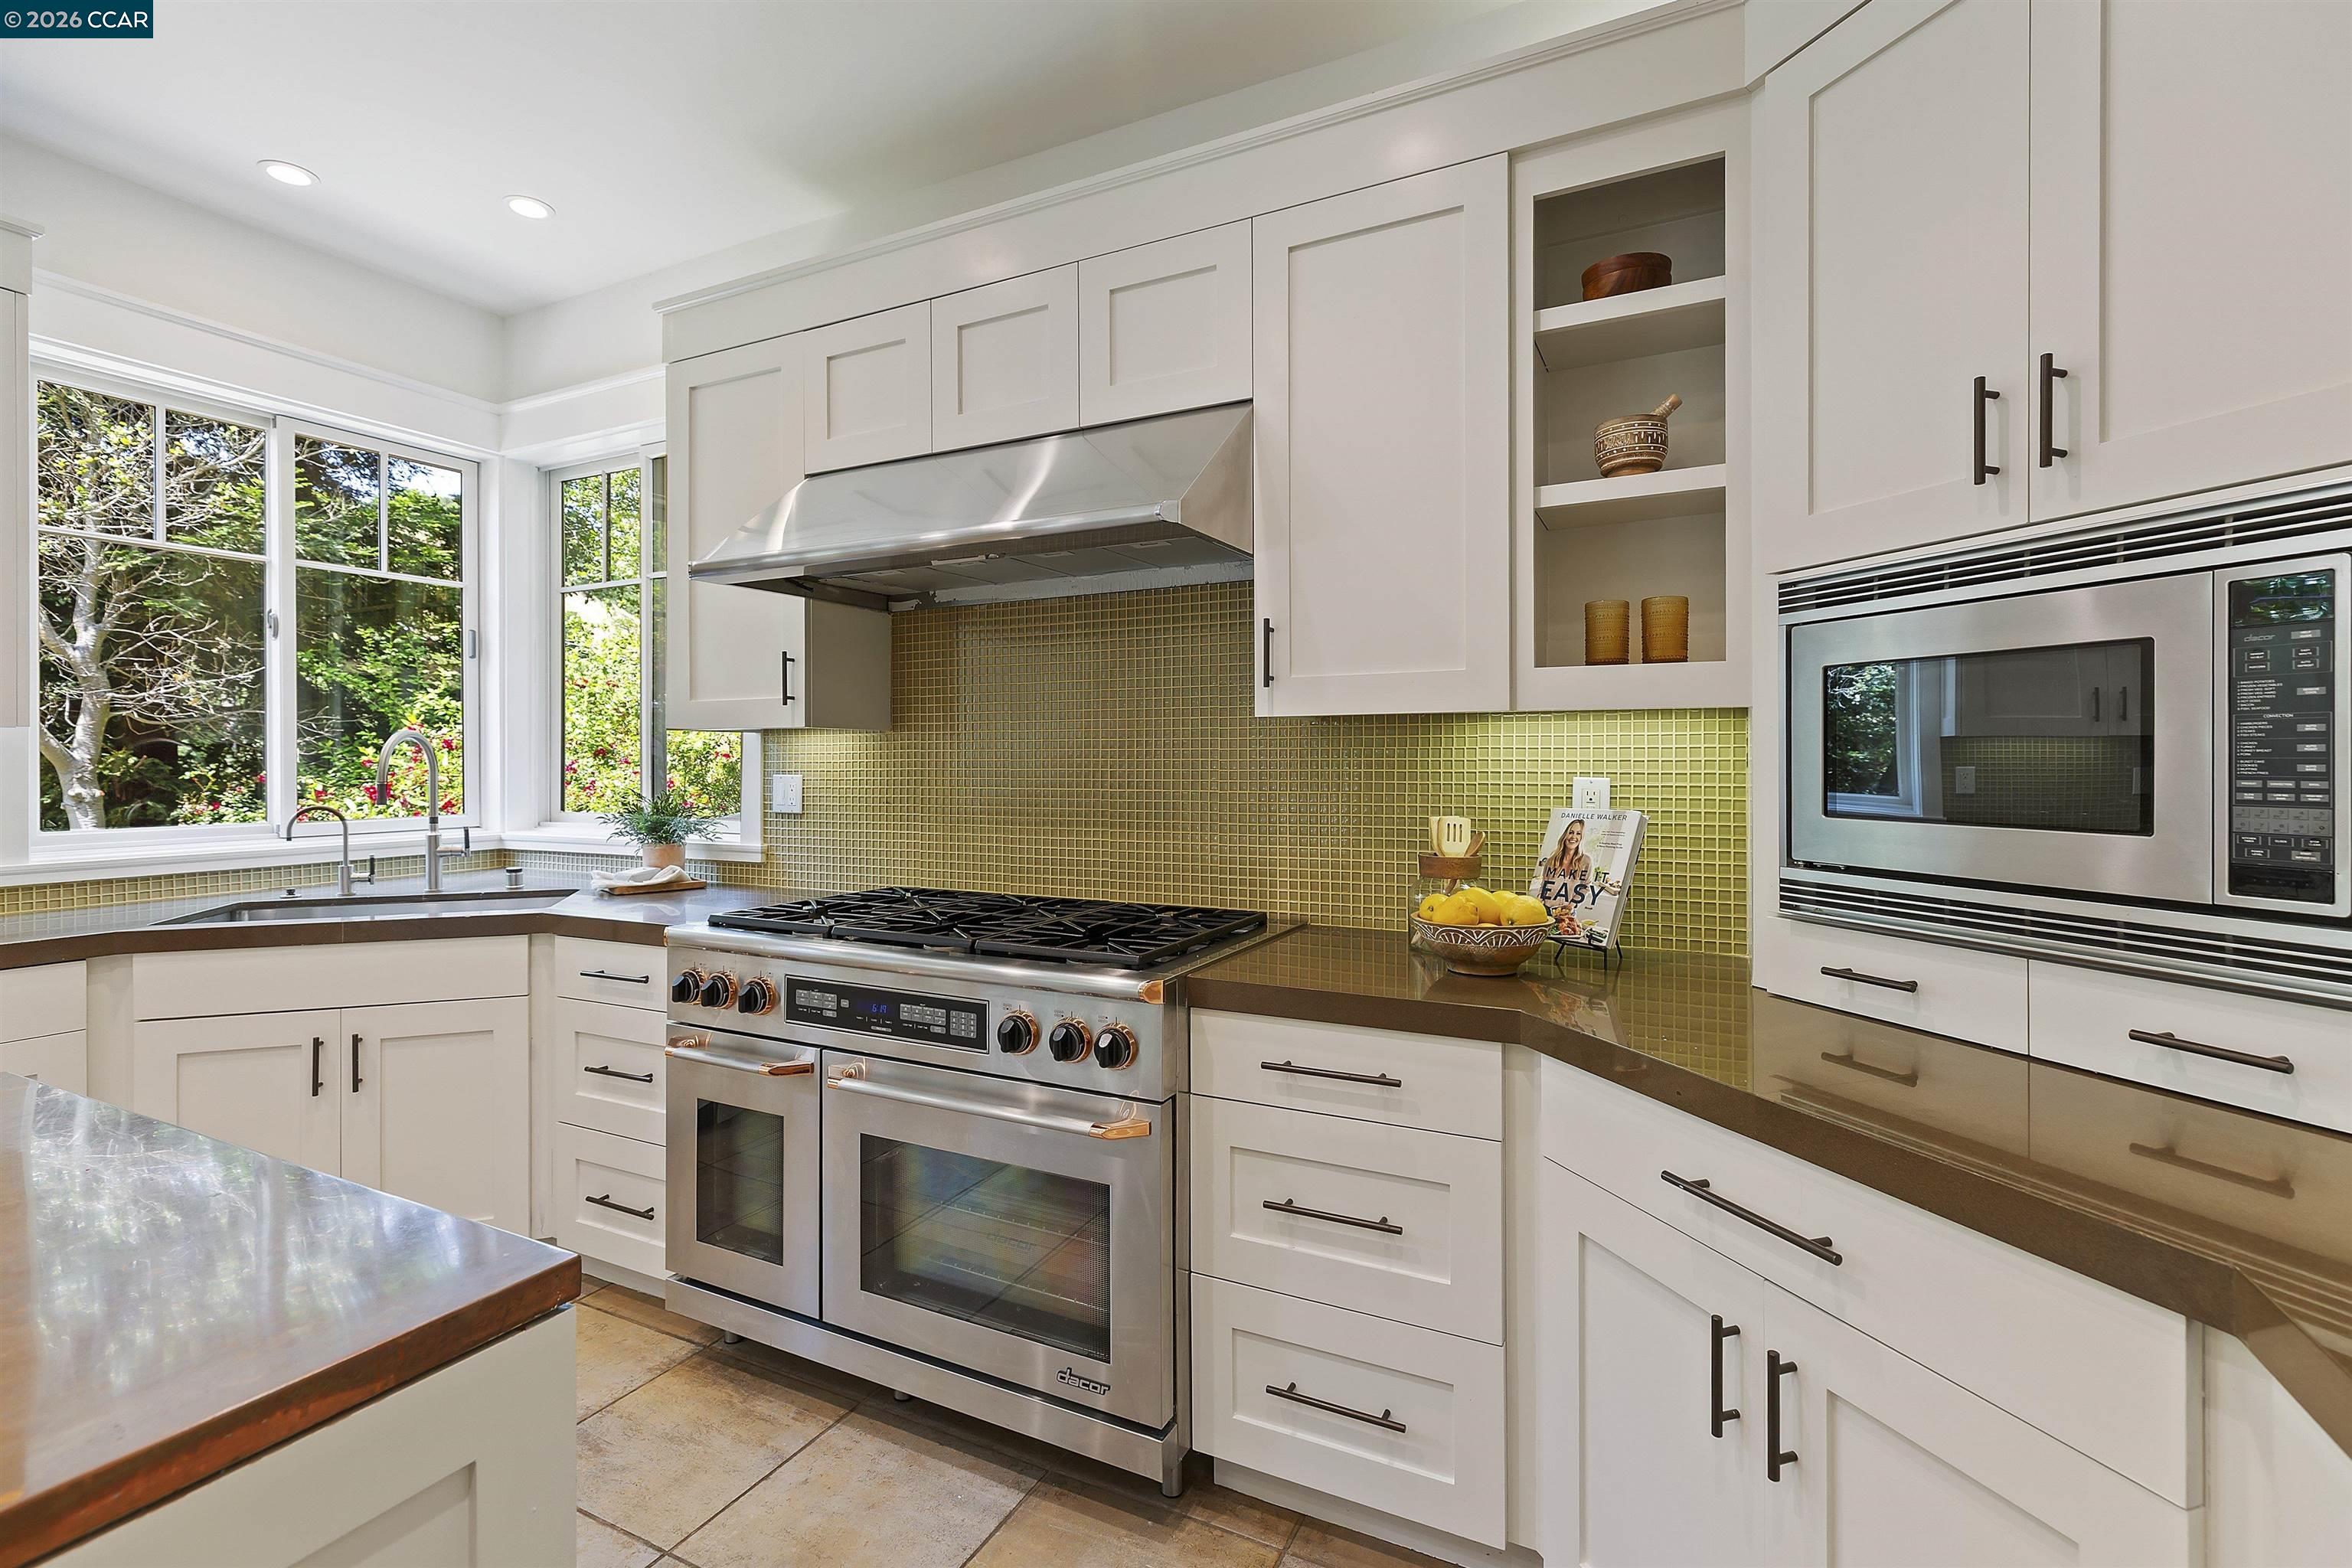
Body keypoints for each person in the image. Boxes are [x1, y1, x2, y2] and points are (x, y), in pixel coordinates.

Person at [1534, 818, 1596, 936]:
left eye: (1578, 833)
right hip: (1547, 910)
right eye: (1571, 832)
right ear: (1565, 835)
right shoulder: (1551, 860)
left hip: (1569, 912)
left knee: (1569, 936)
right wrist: (1539, 902)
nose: (1574, 837)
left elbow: (1585, 887)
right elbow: (1544, 884)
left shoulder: (1586, 861)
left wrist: (1571, 905)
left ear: (1582, 838)